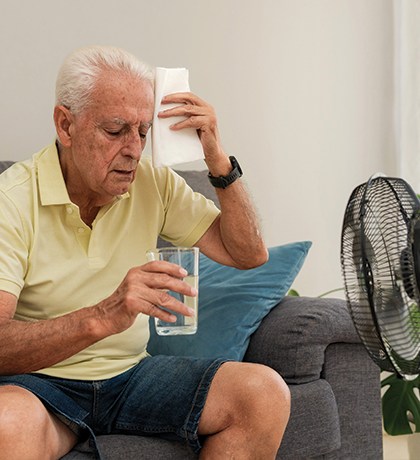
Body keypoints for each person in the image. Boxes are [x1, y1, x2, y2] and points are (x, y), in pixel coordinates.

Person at [0, 46, 290, 460]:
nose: (134, 149)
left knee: (263, 394)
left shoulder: (153, 183)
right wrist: (103, 316)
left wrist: (217, 158)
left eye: (143, 131)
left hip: (131, 376)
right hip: (41, 383)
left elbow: (248, 254)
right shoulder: (10, 200)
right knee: (6, 423)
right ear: (66, 126)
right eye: (116, 130)